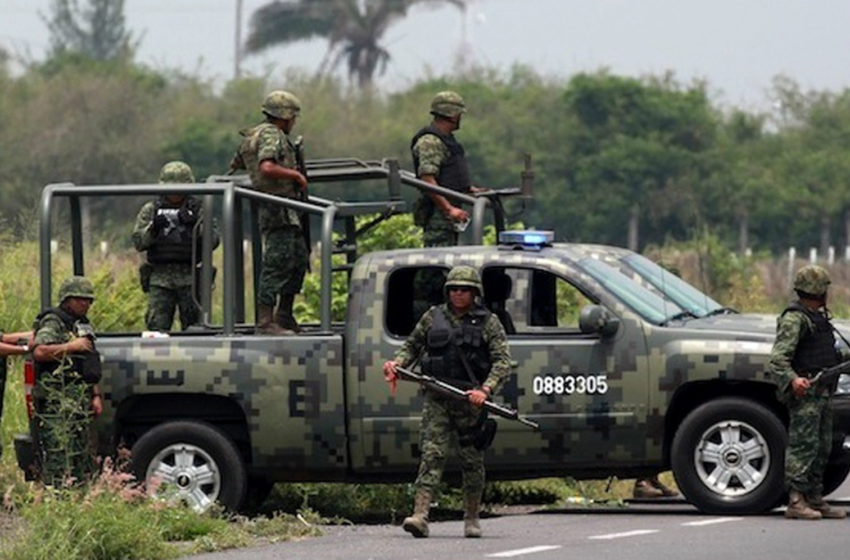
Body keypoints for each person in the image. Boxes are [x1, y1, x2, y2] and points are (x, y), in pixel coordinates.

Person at [383, 266, 511, 539]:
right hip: (438, 397)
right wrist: (397, 363)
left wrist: (485, 390)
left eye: (464, 289)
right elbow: (412, 346)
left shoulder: (488, 322)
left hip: (470, 402)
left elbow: (502, 362)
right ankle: (420, 515)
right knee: (432, 455)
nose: (458, 294)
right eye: (453, 289)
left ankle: (472, 517)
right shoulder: (433, 317)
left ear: (475, 292)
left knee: (472, 461)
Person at [768, 264, 848, 520]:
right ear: (819, 291)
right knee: (803, 447)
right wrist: (793, 380)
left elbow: (829, 354)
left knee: (822, 446)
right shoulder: (795, 319)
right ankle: (795, 500)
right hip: (807, 394)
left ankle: (814, 497)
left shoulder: (818, 318)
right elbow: (779, 359)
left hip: (823, 392)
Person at [230, 90, 309, 335]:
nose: (293, 122)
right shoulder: (271, 135)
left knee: (297, 259)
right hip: (277, 207)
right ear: (283, 116)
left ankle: (284, 314)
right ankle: (266, 322)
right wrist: (295, 175)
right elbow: (266, 167)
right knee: (277, 263)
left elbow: (238, 163)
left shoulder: (256, 135)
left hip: (286, 207)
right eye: (292, 117)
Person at [31, 276, 103, 486]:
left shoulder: (81, 325)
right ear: (67, 300)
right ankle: (55, 499)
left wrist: (95, 395)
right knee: (58, 453)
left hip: (78, 399)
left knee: (79, 455)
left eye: (89, 300)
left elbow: (89, 363)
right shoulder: (55, 322)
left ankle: (77, 496)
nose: (85, 304)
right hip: (57, 401)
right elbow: (40, 351)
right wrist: (72, 347)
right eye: (80, 299)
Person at [133, 161, 219, 332]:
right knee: (156, 328)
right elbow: (139, 242)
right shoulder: (151, 209)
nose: (174, 192)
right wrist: (154, 229)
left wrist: (197, 225)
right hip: (160, 278)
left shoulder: (199, 208)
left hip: (191, 278)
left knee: (196, 329)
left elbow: (214, 241)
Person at [410, 90, 474, 248]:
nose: (460, 118)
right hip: (438, 215)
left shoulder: (446, 140)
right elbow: (427, 179)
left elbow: (449, 173)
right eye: (459, 113)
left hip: (449, 213)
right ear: (452, 114)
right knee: (436, 264)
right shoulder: (430, 141)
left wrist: (469, 189)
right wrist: (448, 209)